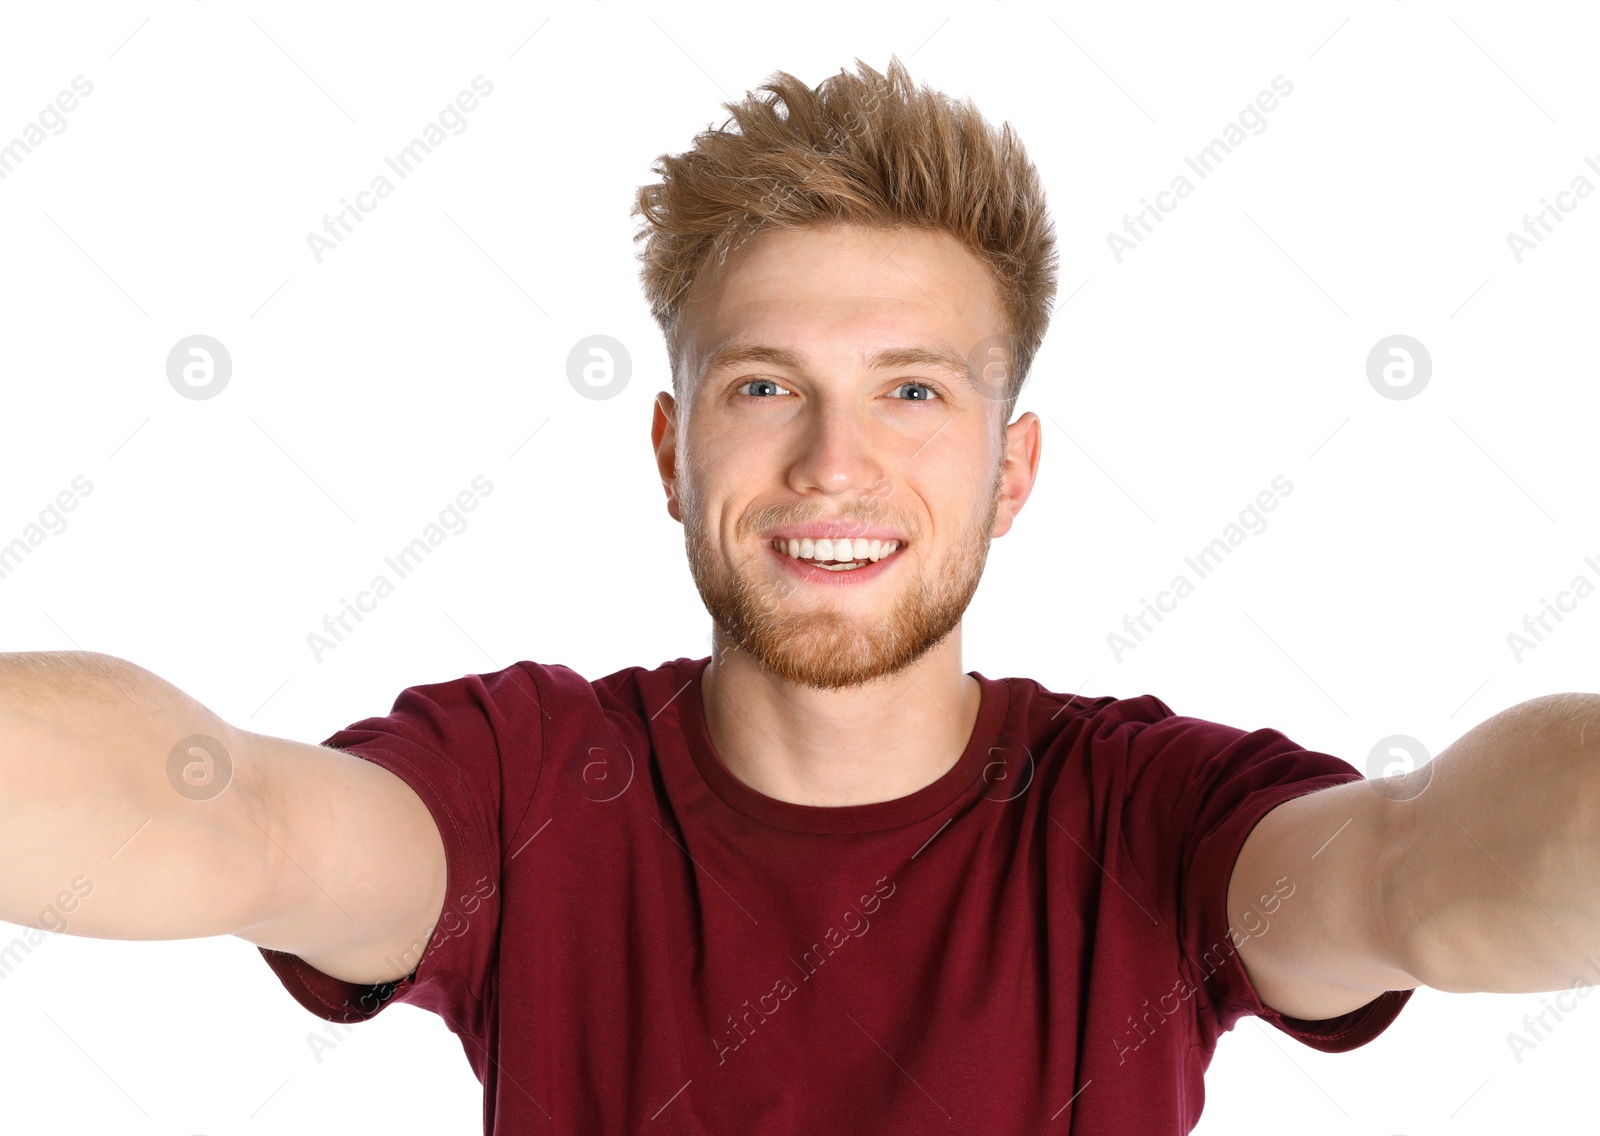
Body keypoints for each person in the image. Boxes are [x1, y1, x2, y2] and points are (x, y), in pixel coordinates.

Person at [4, 55, 1598, 1135]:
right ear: (673, 447)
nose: (834, 462)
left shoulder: (1149, 819)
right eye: (766, 386)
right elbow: (230, 823)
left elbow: (1413, 870)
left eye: (913, 393)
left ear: (1013, 469)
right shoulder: (522, 790)